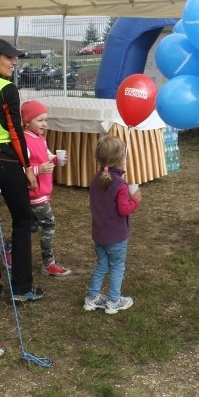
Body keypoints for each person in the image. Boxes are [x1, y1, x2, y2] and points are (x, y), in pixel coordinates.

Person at [0, 38, 43, 304]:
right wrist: (27, 167)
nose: (14, 63)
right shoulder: (6, 87)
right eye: (9, 58)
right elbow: (15, 131)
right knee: (23, 220)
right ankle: (22, 287)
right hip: (8, 161)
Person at [83, 135, 140, 315]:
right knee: (117, 266)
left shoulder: (95, 179)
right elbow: (124, 209)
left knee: (102, 264)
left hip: (99, 233)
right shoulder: (120, 184)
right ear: (122, 157)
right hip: (116, 236)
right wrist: (136, 200)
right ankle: (114, 301)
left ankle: (92, 298)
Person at [21, 99, 71, 277]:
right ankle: (48, 263)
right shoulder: (25, 141)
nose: (44, 124)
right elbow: (22, 168)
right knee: (49, 223)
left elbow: (47, 156)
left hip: (44, 191)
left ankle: (8, 248)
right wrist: (37, 169)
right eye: (39, 120)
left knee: (33, 225)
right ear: (27, 121)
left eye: (45, 120)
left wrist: (56, 160)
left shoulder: (40, 139)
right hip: (35, 192)